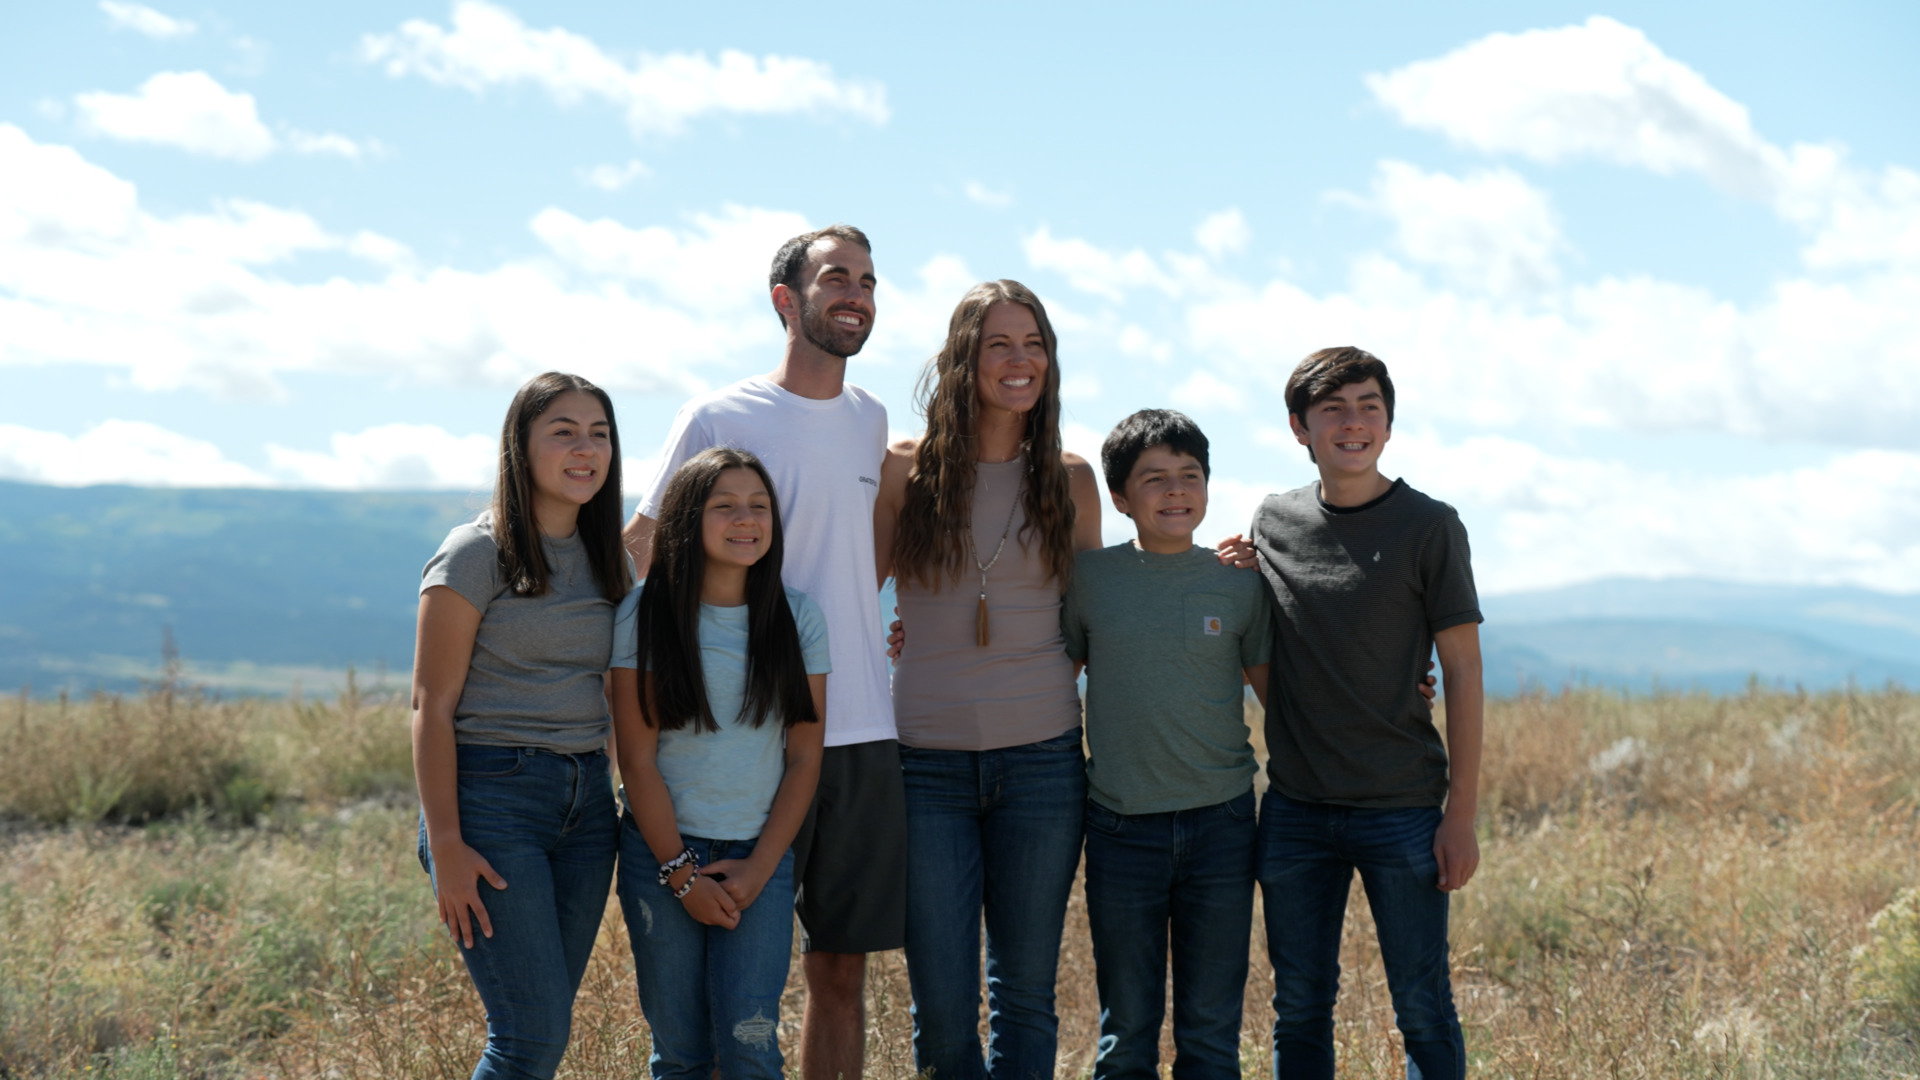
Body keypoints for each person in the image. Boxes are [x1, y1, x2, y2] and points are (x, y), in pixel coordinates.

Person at [621, 225, 901, 1080]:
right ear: (787, 300)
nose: (854, 293)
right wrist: (701, 661)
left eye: (867, 279)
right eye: (834, 278)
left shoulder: (871, 421)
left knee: (840, 970)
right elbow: (644, 542)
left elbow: (863, 550)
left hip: (853, 724)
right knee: (726, 998)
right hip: (740, 737)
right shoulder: (719, 415)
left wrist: (862, 617)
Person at [873, 279, 1104, 1080]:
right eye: (999, 344)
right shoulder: (904, 471)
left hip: (1043, 761)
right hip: (924, 765)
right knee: (940, 1001)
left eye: (1033, 344)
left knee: (1026, 993)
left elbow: (1094, 620)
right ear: (962, 357)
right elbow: (850, 592)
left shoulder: (1071, 479)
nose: (1018, 361)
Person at [1251, 346, 1484, 1080]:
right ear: (1300, 427)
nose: (1353, 423)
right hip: (1294, 808)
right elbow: (1262, 645)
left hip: (1404, 807)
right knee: (1299, 1006)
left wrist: (1461, 817)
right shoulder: (1271, 522)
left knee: (1421, 1004)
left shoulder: (1430, 526)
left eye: (1369, 408)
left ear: (1388, 424)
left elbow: (1466, 673)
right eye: (1334, 409)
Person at [411, 371, 630, 1080]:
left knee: (545, 1031)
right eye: (562, 432)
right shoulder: (476, 553)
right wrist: (445, 843)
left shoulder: (611, 561)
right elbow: (429, 705)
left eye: (598, 434)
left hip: (588, 808)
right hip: (492, 801)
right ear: (521, 447)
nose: (585, 448)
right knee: (528, 1037)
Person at [1059, 409, 1272, 1080]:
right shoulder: (1091, 580)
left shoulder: (1241, 579)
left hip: (1223, 824)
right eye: (1154, 479)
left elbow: (1283, 695)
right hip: (1122, 828)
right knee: (1127, 1032)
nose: (1175, 491)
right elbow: (1044, 679)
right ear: (1120, 498)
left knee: (1211, 1033)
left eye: (1190, 475)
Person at [610, 447, 828, 1079]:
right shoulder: (644, 614)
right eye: (725, 505)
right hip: (659, 854)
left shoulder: (797, 617)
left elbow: (805, 758)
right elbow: (638, 763)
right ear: (687, 520)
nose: (747, 518)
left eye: (759, 506)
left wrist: (761, 869)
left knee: (750, 1047)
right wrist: (681, 875)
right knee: (679, 1054)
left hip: (758, 855)